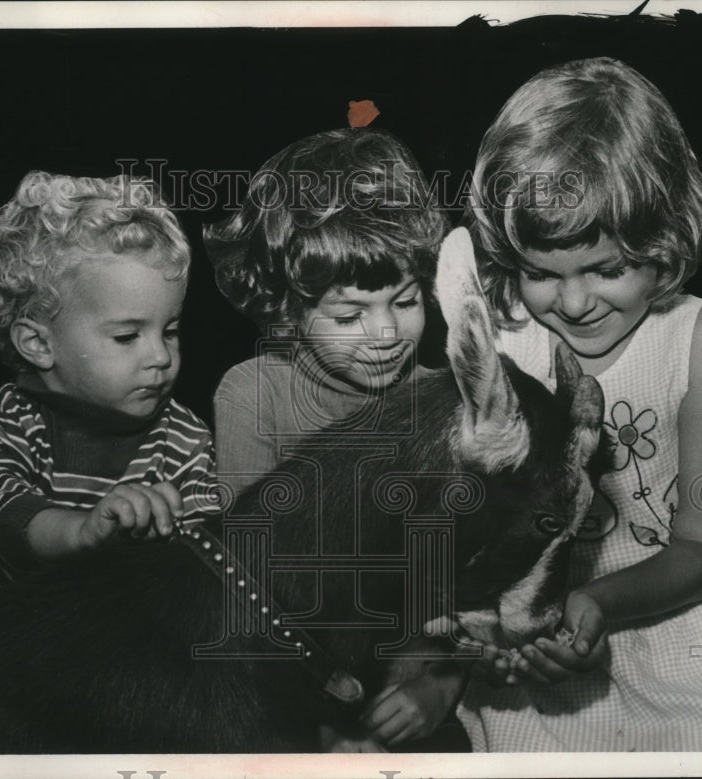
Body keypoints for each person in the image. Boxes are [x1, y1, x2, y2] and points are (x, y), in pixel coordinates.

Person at [455, 56, 702, 751]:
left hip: (690, 614)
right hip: (538, 624)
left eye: (606, 269)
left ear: (664, 241)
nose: (575, 301)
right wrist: (492, 629)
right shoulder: (500, 336)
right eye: (540, 273)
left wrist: (594, 603)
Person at [205, 127, 464, 751]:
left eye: (404, 302)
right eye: (349, 316)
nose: (384, 335)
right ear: (288, 311)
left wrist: (438, 689)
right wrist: (315, 726)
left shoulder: (444, 399)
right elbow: (249, 588)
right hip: (286, 683)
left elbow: (460, 582)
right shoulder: (252, 396)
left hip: (414, 674)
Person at [0, 171, 218, 625]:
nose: (160, 356)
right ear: (38, 344)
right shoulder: (1, 426)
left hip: (91, 643)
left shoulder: (185, 438)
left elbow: (205, 559)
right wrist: (83, 534)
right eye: (127, 336)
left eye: (170, 331)